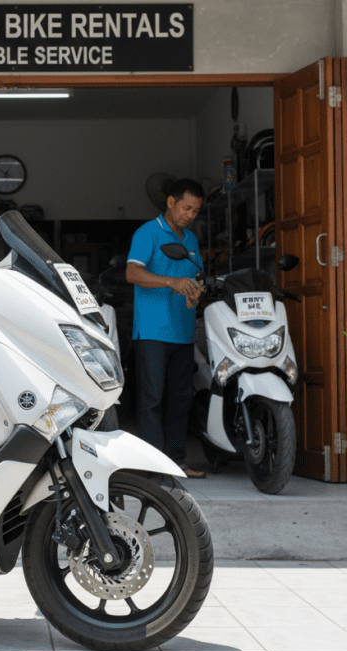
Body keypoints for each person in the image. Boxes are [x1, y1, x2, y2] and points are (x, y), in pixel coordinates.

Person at [125, 179, 206, 478]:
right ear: (171, 202)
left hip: (183, 331)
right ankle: (151, 465)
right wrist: (171, 282)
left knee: (181, 399)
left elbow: (193, 278)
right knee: (153, 398)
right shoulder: (148, 233)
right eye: (186, 208)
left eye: (195, 211)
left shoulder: (192, 241)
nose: (189, 215)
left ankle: (177, 461)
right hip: (152, 332)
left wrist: (195, 291)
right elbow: (132, 272)